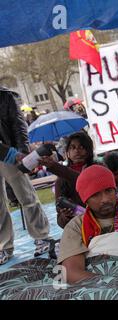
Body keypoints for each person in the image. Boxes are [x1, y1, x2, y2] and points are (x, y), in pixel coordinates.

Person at [0, 87, 51, 265]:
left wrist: (21, 152)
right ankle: (4, 246)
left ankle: (41, 235)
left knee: (26, 196)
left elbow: (18, 124)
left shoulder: (5, 96)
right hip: (5, 152)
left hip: (10, 152)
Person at [39, 131, 96, 229]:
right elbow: (60, 220)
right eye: (72, 147)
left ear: (89, 150)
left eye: (81, 147)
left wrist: (54, 166)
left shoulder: (97, 168)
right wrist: (66, 216)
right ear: (67, 153)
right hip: (80, 227)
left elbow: (84, 179)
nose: (77, 150)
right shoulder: (61, 180)